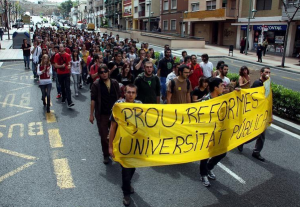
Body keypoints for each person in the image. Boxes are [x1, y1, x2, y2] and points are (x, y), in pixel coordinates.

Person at [108, 84, 142, 206]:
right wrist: (110, 146)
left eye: (133, 92)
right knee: (126, 170)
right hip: (122, 144)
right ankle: (126, 193)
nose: (131, 95)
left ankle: (127, 184)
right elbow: (113, 127)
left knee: (132, 167)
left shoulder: (140, 106)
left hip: (136, 144)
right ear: (124, 93)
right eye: (128, 92)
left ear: (136, 94)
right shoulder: (119, 106)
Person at [237, 67, 272, 162]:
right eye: (266, 72)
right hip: (256, 113)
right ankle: (242, 141)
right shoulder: (257, 83)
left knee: (262, 134)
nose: (268, 73)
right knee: (256, 133)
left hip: (263, 113)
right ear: (261, 73)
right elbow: (251, 96)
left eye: (269, 72)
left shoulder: (267, 84)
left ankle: (256, 152)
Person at [90, 65, 121, 164]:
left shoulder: (115, 83)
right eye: (101, 72)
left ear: (108, 72)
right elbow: (93, 100)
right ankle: (106, 154)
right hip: (102, 114)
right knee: (104, 136)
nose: (104, 74)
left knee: (116, 135)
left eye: (105, 71)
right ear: (99, 74)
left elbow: (120, 97)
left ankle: (115, 152)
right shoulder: (96, 84)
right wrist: (91, 114)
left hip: (115, 115)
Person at [199, 77, 226, 187]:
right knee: (205, 154)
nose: (223, 87)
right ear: (215, 88)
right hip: (207, 132)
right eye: (221, 85)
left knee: (222, 152)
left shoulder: (223, 98)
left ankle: (209, 168)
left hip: (219, 132)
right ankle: (203, 174)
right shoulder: (205, 100)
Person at [54, 44, 74, 108]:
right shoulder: (57, 55)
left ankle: (69, 101)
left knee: (67, 87)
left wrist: (69, 67)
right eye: (60, 47)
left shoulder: (67, 55)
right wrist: (61, 66)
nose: (61, 48)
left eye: (62, 47)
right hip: (60, 73)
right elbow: (56, 65)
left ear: (64, 48)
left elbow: (69, 64)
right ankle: (64, 97)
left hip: (66, 73)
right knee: (62, 86)